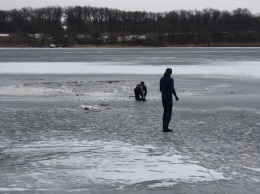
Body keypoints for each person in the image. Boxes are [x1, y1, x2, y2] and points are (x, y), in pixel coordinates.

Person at [160, 68, 179, 132]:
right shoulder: (170, 79)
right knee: (169, 111)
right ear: (170, 73)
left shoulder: (161, 79)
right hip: (168, 96)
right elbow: (172, 88)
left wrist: (164, 93)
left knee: (165, 111)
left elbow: (161, 89)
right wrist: (175, 96)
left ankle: (164, 127)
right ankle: (166, 126)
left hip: (163, 96)